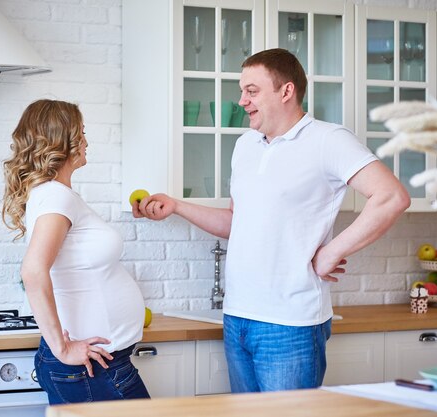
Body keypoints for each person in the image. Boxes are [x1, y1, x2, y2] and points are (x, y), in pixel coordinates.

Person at [133, 49, 410, 393]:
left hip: (290, 323)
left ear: (286, 91)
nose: (241, 101)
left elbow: (391, 196)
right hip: (238, 317)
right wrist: (176, 206)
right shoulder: (246, 145)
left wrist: (330, 252)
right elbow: (236, 222)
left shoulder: (328, 139)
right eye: (241, 91)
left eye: (251, 91)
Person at [2, 99, 150, 404]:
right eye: (80, 134)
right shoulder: (56, 196)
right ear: (62, 141)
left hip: (97, 364)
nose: (86, 142)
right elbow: (32, 270)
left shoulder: (54, 194)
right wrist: (63, 347)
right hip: (92, 368)